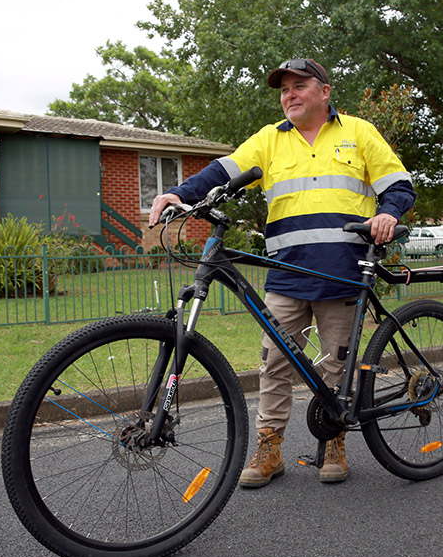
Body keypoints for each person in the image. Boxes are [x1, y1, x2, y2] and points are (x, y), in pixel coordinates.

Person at [148, 58, 416, 488]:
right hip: (286, 275)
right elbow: (224, 171)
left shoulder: (358, 132)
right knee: (274, 364)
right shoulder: (270, 139)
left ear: (325, 91)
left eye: (299, 85)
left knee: (337, 367)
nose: (289, 94)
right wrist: (179, 193)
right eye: (284, 89)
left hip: (343, 273)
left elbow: (399, 186)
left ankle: (335, 441)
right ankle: (270, 447)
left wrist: (387, 213)